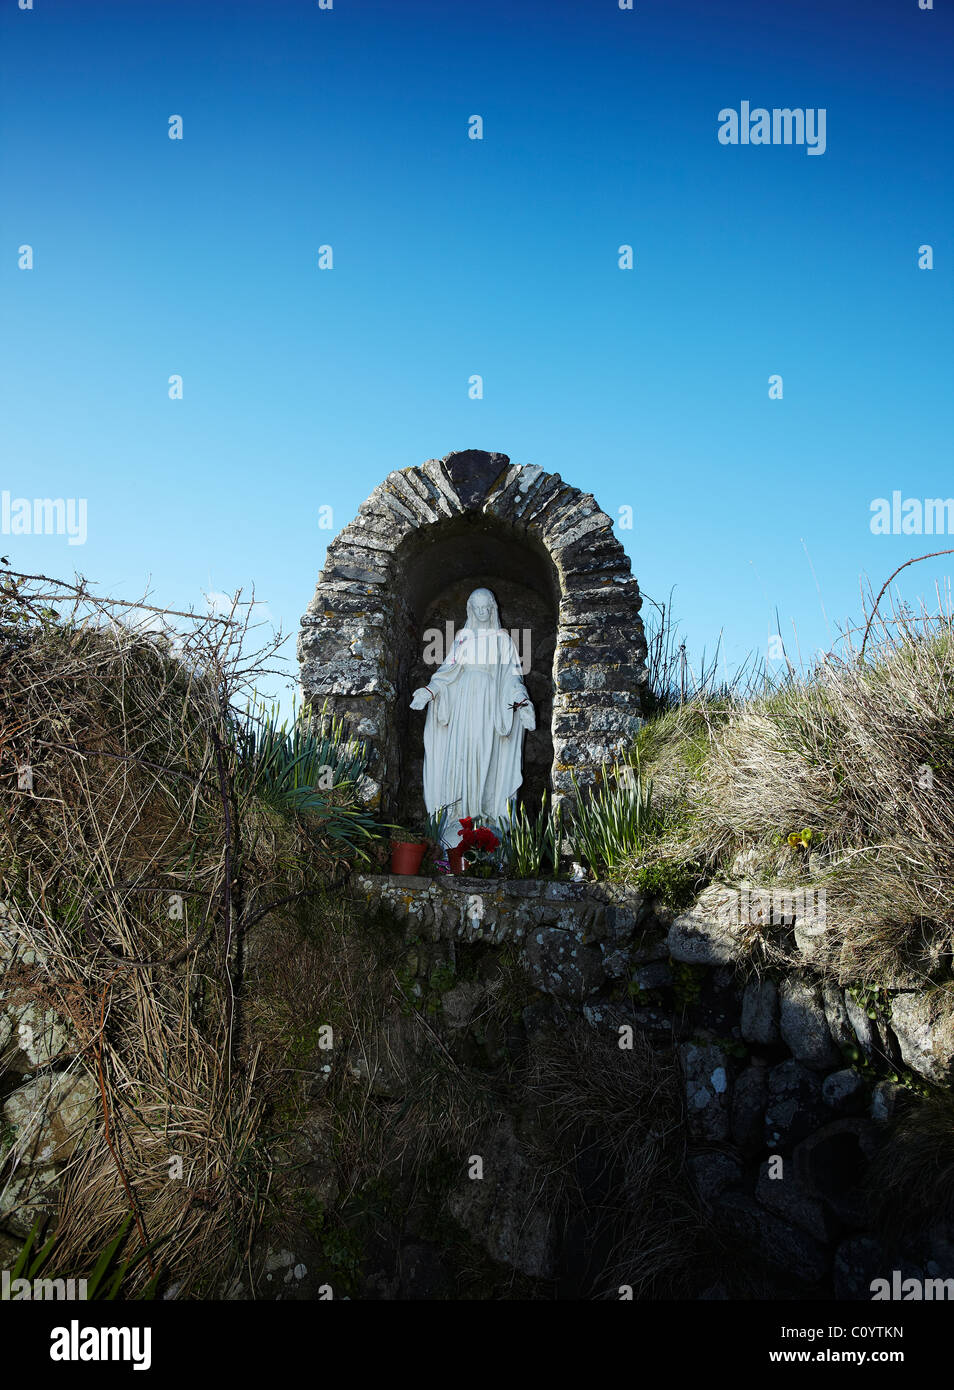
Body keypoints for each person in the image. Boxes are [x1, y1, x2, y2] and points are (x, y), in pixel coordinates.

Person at [410, 588, 535, 845]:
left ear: (492, 609)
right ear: (470, 609)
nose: (481, 612)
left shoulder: (503, 641)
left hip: (490, 705)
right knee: (463, 757)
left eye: (485, 608)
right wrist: (429, 692)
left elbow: (513, 677)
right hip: (463, 706)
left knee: (486, 756)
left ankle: (486, 819)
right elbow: (446, 673)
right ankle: (460, 817)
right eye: (476, 607)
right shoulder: (463, 639)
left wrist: (523, 703)